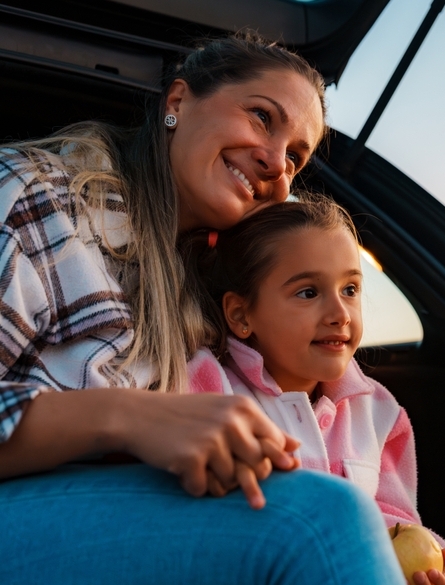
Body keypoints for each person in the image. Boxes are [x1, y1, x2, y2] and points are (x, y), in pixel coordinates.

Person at [0, 34, 405, 584]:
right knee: (321, 521)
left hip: (125, 523)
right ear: (178, 102)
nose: (274, 162)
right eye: (262, 118)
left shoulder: (207, 287)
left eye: (295, 157)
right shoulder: (34, 196)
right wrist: (126, 419)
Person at [184, 196, 445, 585]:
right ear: (241, 315)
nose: (340, 313)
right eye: (308, 292)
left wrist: (428, 564)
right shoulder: (206, 386)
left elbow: (394, 522)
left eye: (351, 289)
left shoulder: (378, 413)